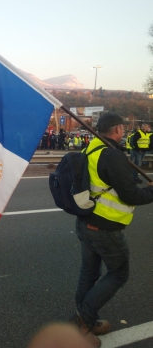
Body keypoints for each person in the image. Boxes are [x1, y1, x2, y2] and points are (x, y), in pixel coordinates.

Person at [72, 112, 153, 348]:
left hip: (86, 221)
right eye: (123, 128)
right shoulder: (112, 154)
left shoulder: (93, 148)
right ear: (117, 129)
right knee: (119, 273)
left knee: (89, 272)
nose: (125, 131)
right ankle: (84, 319)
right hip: (104, 227)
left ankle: (84, 319)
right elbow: (131, 195)